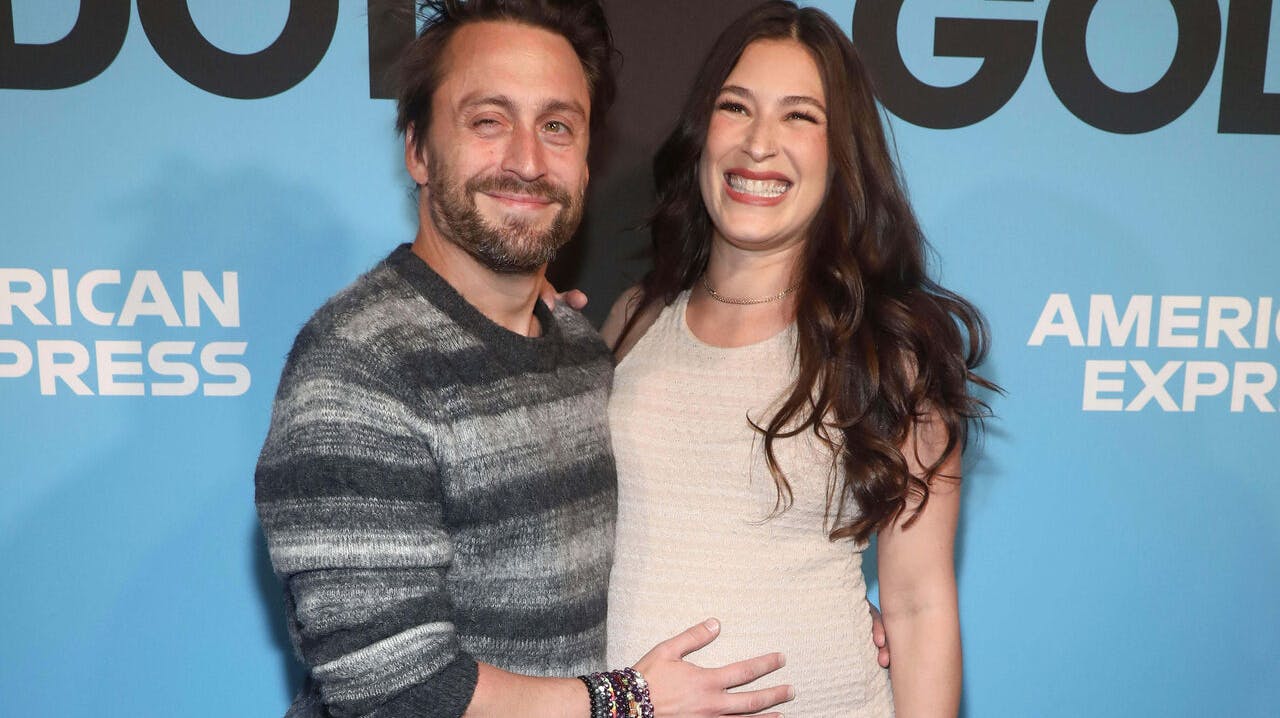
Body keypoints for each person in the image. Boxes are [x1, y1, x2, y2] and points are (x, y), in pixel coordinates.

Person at [254, 1, 797, 716]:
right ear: (418, 149)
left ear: (587, 161)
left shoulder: (579, 350)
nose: (527, 161)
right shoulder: (358, 370)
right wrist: (627, 701)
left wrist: (808, 602)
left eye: (557, 126)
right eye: (488, 121)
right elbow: (396, 690)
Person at [602, 2, 996, 716]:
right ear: (701, 132)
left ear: (841, 153)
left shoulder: (887, 349)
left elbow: (917, 605)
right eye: (736, 107)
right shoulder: (635, 318)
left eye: (799, 117)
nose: (759, 143)